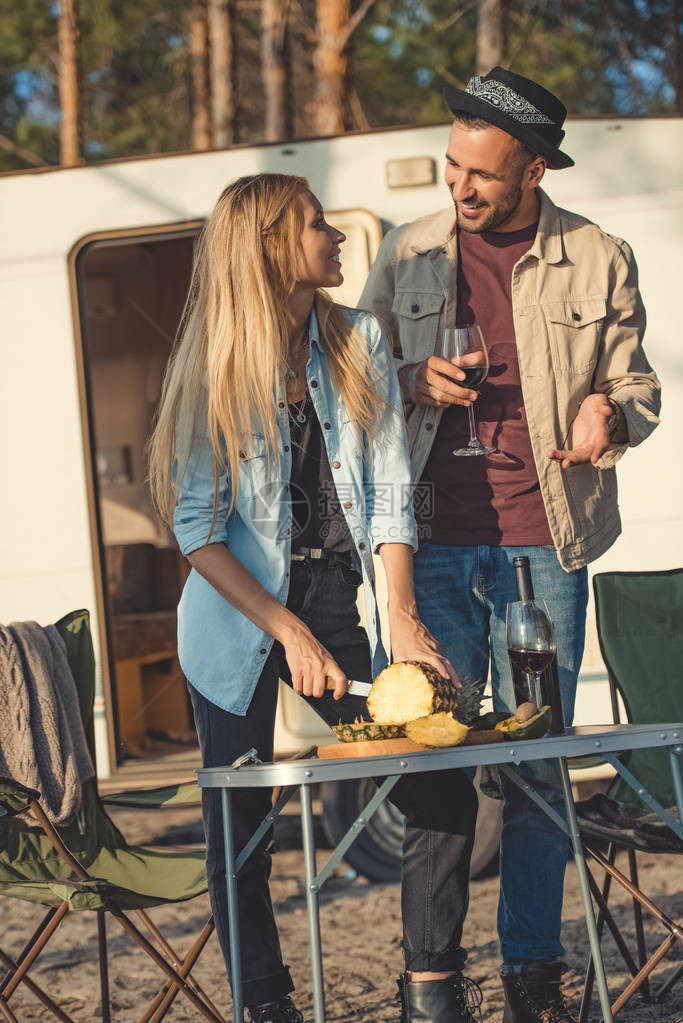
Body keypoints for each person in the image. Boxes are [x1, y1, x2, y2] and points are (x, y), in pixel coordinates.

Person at [359, 67, 661, 1023]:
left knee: (535, 766)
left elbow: (640, 387)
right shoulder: (405, 252)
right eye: (452, 167)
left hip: (544, 544)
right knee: (432, 760)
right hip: (432, 544)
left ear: (533, 169)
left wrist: (608, 412)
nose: (459, 188)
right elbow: (351, 381)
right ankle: (431, 981)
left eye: (482, 174)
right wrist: (409, 376)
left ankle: (532, 969)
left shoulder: (597, 255)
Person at [148, 173, 482, 1023]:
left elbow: (389, 490)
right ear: (268, 246)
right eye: (315, 224)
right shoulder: (211, 365)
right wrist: (287, 628)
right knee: (241, 829)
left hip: (338, 603)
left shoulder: (356, 339)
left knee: (438, 777)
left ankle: (431, 987)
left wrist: (399, 616)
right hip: (235, 623)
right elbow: (198, 532)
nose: (336, 237)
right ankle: (267, 1005)